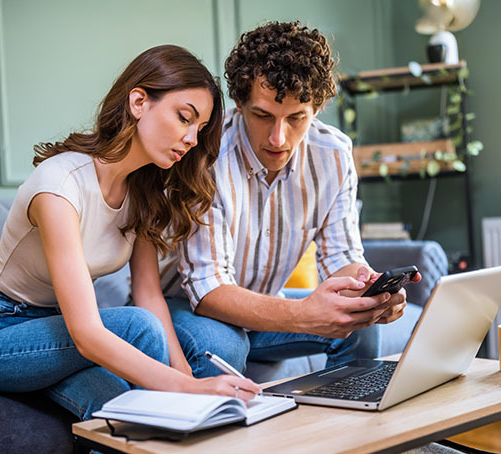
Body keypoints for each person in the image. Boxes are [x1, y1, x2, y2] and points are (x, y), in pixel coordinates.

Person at [0, 45, 261, 421]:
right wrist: (188, 389)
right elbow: (86, 331)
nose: (192, 138)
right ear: (139, 101)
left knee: (118, 409)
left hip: (55, 335)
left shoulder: (144, 193)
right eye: (184, 118)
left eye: (200, 129)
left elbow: (149, 295)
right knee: (137, 329)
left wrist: (187, 376)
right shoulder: (60, 184)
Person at [160, 22, 420, 377]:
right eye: (263, 115)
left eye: (297, 118)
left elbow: (341, 257)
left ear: (318, 108)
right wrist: (303, 315)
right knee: (223, 345)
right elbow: (209, 290)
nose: (278, 137)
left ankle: (349, 425)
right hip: (185, 307)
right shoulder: (205, 156)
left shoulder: (333, 154)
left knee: (360, 323)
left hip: (266, 310)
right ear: (239, 103)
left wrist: (370, 293)